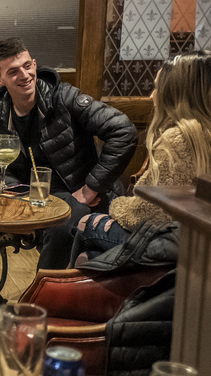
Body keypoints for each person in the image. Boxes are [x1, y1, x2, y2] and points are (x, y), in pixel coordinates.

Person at [0, 37, 137, 270]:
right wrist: (21, 199)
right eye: (13, 72)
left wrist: (90, 188)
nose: (24, 75)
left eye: (27, 66)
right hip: (31, 197)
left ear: (34, 64)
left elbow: (124, 131)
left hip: (79, 194)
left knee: (60, 225)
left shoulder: (65, 97)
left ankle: (41, 298)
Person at [71, 50, 211, 263]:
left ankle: (59, 291)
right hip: (193, 239)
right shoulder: (203, 131)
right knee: (91, 255)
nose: (151, 96)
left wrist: (116, 206)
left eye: (157, 88)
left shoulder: (178, 138)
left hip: (174, 242)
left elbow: (154, 212)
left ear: (175, 94)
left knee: (86, 224)